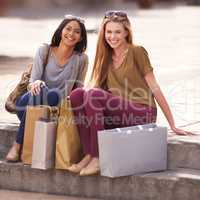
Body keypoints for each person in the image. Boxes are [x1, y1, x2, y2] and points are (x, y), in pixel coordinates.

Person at [68, 10, 192, 176]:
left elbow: (155, 88)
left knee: (92, 95)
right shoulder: (105, 55)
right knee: (78, 95)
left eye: (118, 32)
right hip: (119, 113)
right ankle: (89, 153)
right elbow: (93, 88)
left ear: (126, 32)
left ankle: (98, 156)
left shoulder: (137, 52)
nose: (113, 37)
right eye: (109, 32)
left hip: (142, 112)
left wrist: (172, 124)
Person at [6, 15, 88, 162]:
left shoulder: (81, 59)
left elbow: (79, 88)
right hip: (26, 104)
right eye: (68, 29)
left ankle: (17, 146)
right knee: (40, 90)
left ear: (81, 37)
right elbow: (32, 82)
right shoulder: (44, 50)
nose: (71, 33)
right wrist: (36, 83)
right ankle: (17, 146)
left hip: (54, 106)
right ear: (60, 31)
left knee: (46, 93)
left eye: (77, 31)